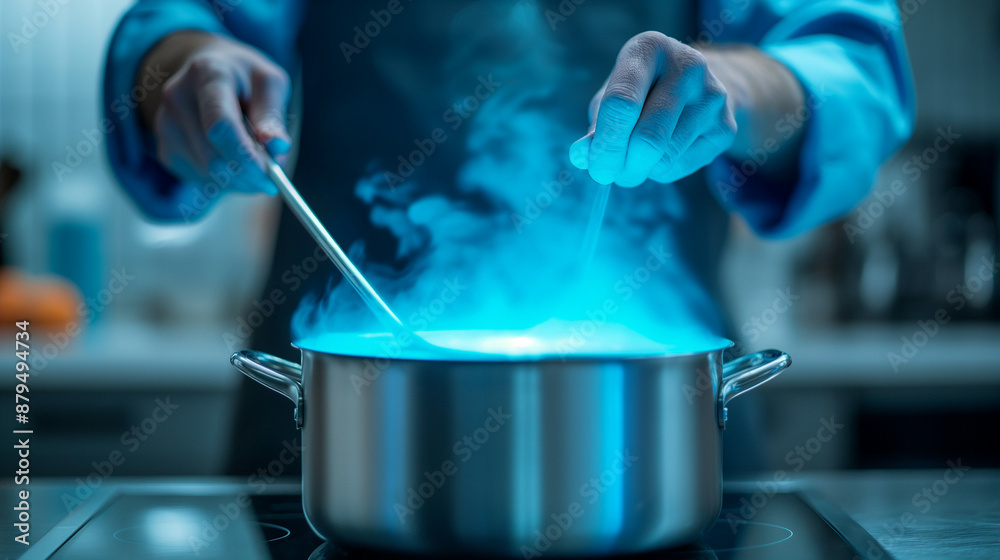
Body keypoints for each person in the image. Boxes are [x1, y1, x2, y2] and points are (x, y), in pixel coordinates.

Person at [104, 0, 914, 475]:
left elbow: (851, 68)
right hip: (346, 444)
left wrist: (734, 84)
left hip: (650, 450)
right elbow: (179, 28)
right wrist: (186, 68)